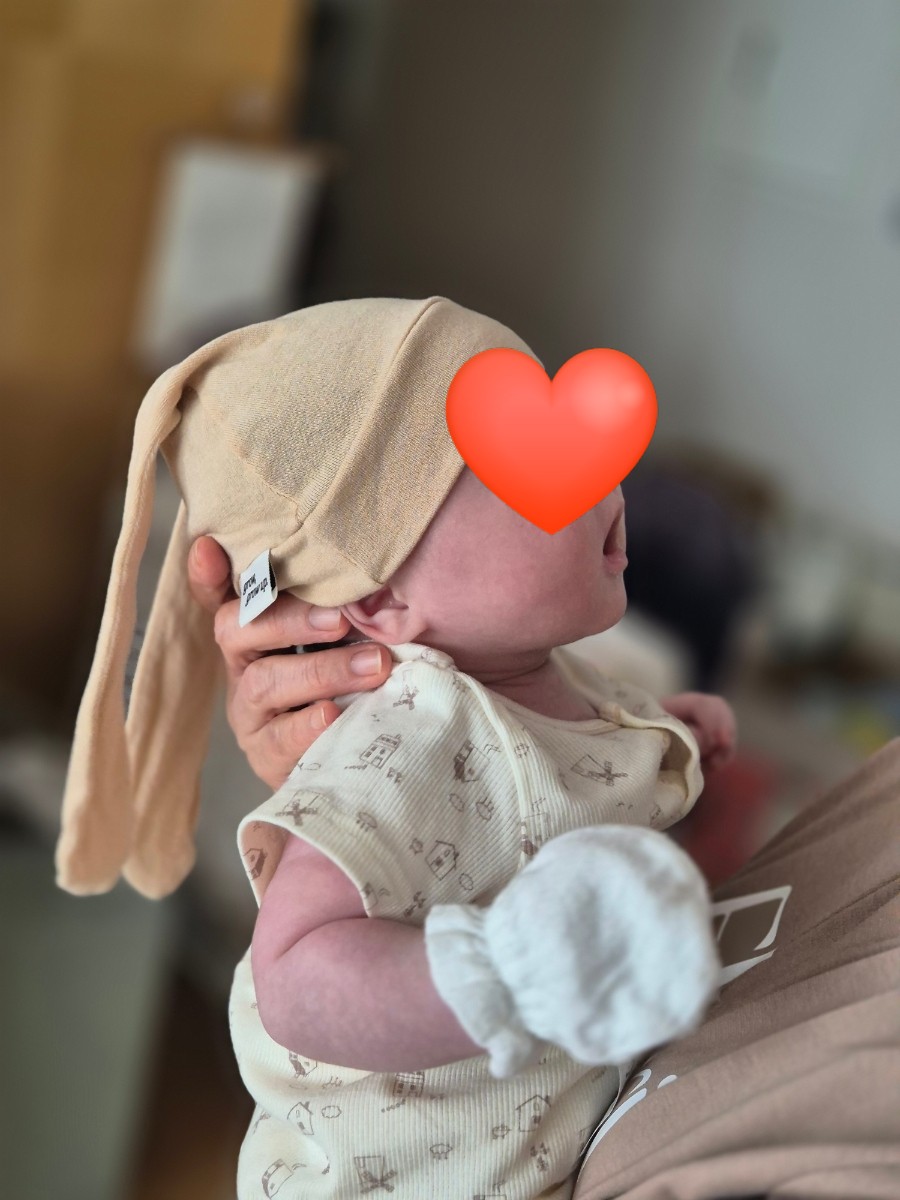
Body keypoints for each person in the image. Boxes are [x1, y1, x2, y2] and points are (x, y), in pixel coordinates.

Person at [58, 296, 736, 1199]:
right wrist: (498, 976)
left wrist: (659, 737)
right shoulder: (405, 745)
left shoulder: (548, 677)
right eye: (530, 460)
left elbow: (561, 775)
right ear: (379, 604)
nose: (603, 479)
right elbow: (295, 975)